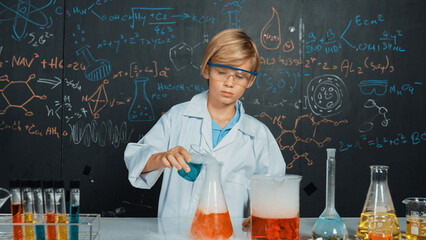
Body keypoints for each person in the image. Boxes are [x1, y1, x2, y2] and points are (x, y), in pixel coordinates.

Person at [124, 29, 286, 220]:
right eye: (221, 72)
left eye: (240, 76)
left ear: (250, 80)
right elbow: (135, 161)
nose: (229, 83)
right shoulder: (177, 117)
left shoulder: (258, 135)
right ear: (206, 69)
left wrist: (263, 213)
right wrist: (162, 157)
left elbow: (275, 191)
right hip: (176, 233)